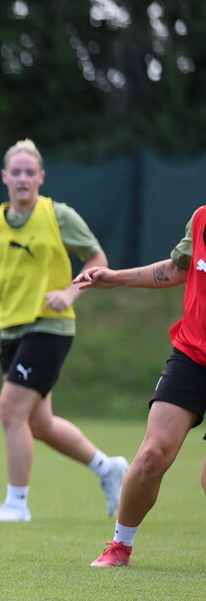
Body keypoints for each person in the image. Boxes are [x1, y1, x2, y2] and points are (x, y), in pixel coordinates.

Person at [0, 139, 129, 522]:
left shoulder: (58, 215)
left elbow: (97, 258)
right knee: (38, 423)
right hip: (11, 330)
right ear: (4, 177)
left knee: (10, 409)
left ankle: (17, 504)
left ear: (41, 177)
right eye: (16, 172)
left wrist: (70, 292)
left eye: (30, 172)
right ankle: (108, 468)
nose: (23, 178)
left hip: (50, 327)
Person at [76, 205, 206, 567]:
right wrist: (116, 277)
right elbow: (177, 269)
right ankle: (120, 546)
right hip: (192, 355)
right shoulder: (201, 219)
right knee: (152, 454)